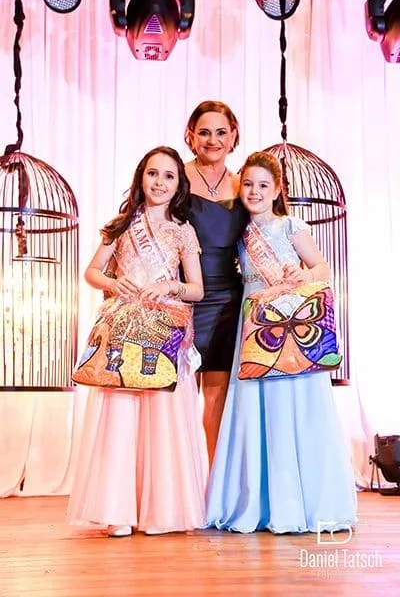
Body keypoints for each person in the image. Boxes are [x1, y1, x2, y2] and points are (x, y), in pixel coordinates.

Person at [206, 151, 357, 533]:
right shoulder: (239, 233)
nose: (254, 192)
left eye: (263, 185)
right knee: (255, 413)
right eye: (248, 184)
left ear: (277, 190)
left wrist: (302, 275)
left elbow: (322, 267)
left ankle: (302, 504)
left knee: (295, 408)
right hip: (255, 328)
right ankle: (258, 504)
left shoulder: (290, 225)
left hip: (291, 326)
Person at [67, 146, 208, 537]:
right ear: (141, 177)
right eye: (152, 173)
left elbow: (197, 289)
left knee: (163, 418)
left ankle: (160, 511)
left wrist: (171, 286)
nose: (159, 182)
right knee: (121, 417)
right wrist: (114, 283)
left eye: (168, 176)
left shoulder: (183, 230)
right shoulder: (123, 224)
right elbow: (92, 272)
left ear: (179, 185)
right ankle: (118, 512)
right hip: (125, 330)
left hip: (164, 331)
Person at [184, 100, 248, 465]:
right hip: (183, 296)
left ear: (233, 136)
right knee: (179, 393)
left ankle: (213, 482)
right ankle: (181, 483)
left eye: (221, 132)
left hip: (226, 299)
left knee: (217, 393)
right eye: (205, 132)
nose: (213, 140)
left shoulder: (244, 184)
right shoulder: (175, 177)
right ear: (191, 136)